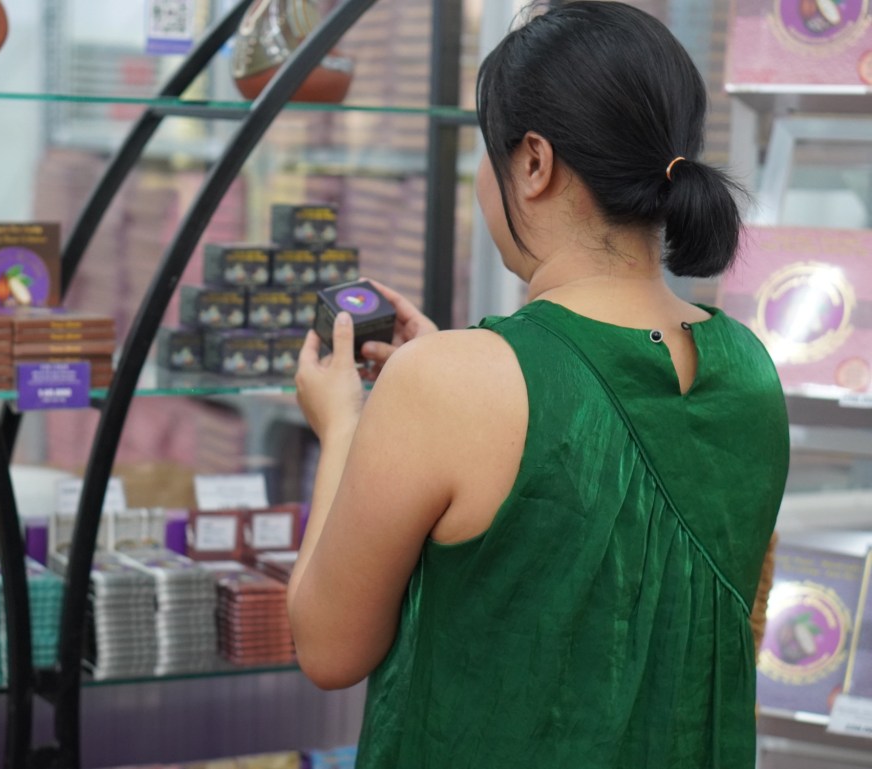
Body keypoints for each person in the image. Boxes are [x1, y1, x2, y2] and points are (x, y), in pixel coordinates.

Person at [287, 2, 790, 767]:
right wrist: (456, 367)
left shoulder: (445, 384)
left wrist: (345, 427)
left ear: (532, 163)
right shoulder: (750, 366)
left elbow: (327, 648)